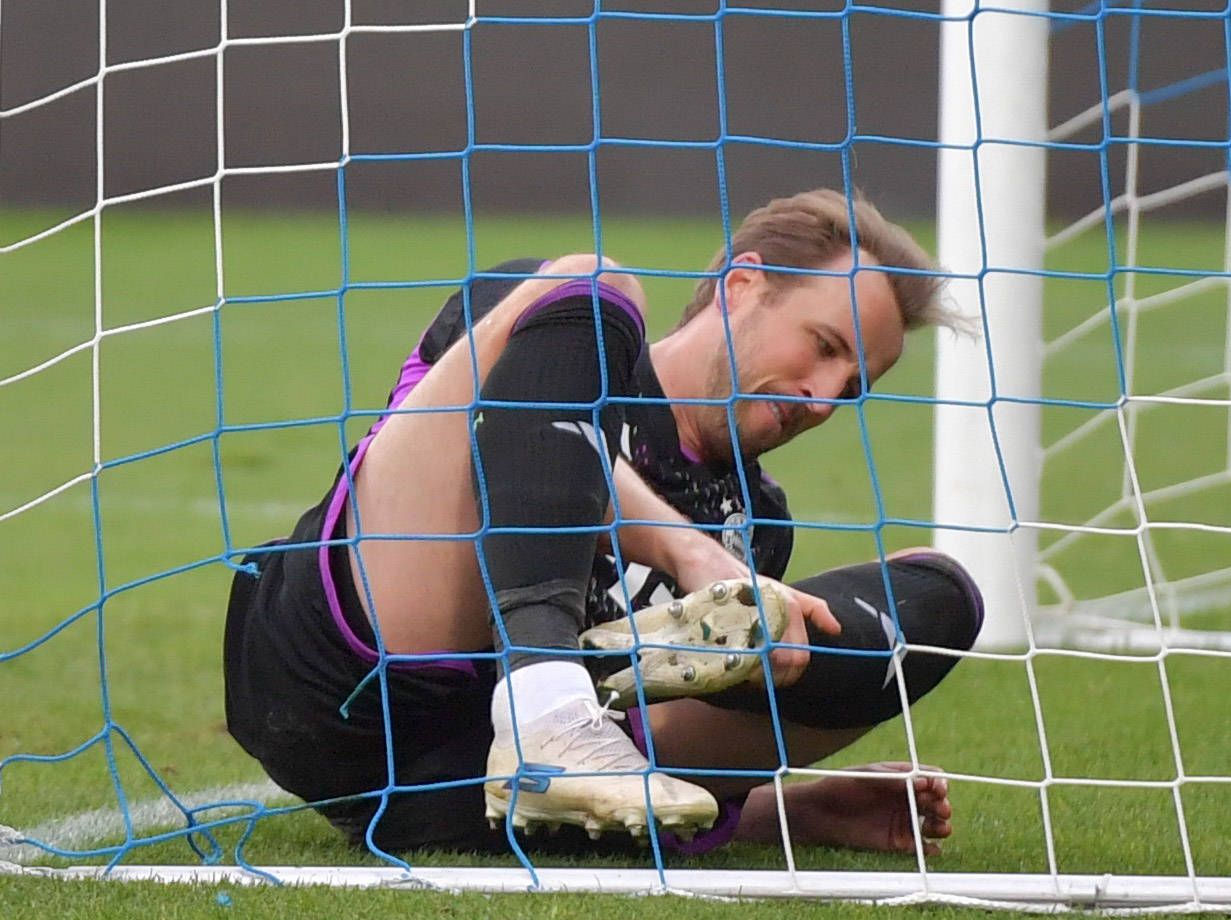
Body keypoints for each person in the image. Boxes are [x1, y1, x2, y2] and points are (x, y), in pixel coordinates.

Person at [223, 189, 983, 858]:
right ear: (741, 286)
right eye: (823, 346)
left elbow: (668, 708)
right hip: (337, 672)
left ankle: (568, 743)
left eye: (850, 389)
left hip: (450, 789)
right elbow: (511, 402)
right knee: (593, 283)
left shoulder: (754, 529)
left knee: (939, 599)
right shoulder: (546, 319)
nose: (822, 398)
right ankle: (543, 703)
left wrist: (778, 809)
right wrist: (684, 548)